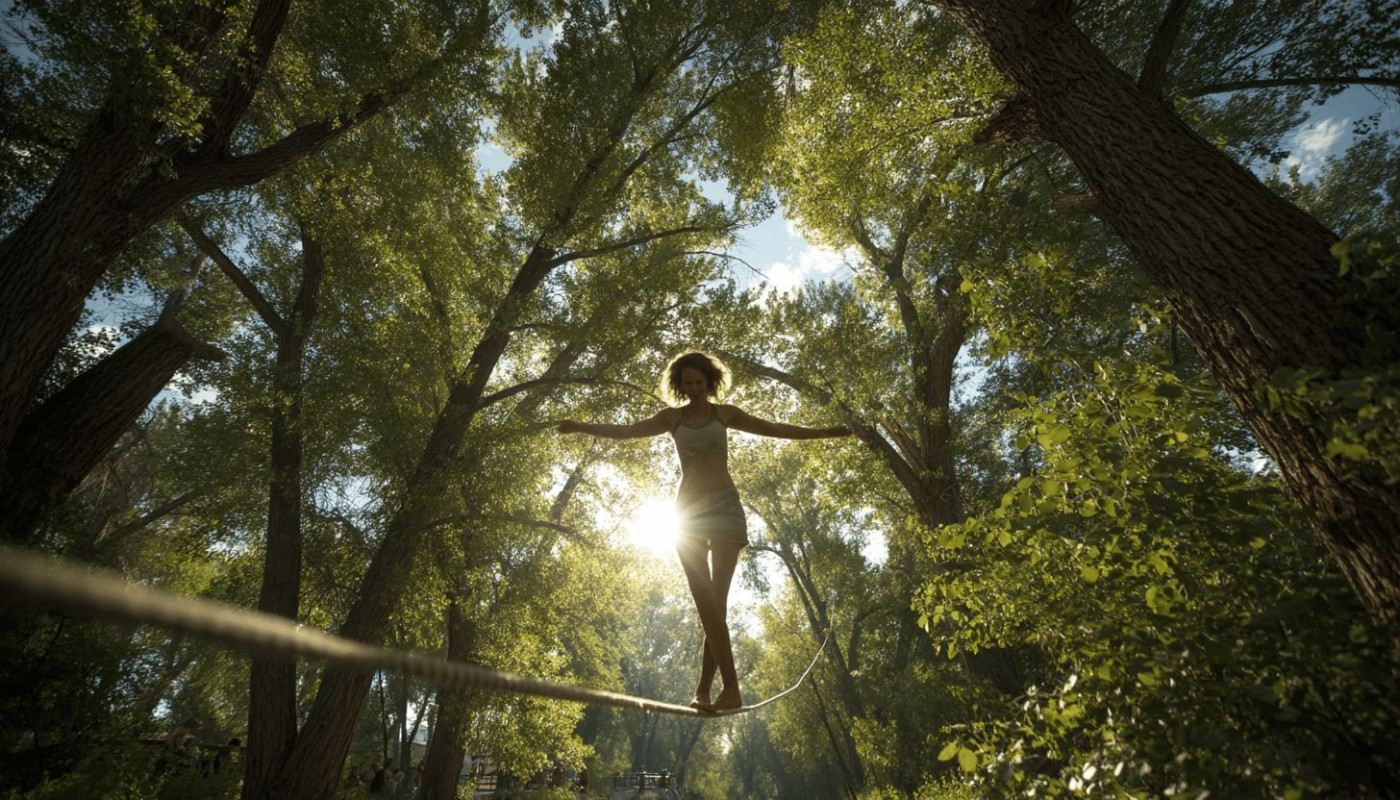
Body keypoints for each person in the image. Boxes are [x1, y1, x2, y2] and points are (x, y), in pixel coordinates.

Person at [557, 351, 851, 711]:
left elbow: (775, 429)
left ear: (709, 382)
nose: (695, 389)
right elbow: (628, 431)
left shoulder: (724, 414)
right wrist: (581, 426)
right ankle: (712, 690)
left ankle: (719, 689)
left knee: (717, 604)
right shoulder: (671, 418)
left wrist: (828, 432)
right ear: (679, 386)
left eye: (700, 382)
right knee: (705, 603)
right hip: (688, 516)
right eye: (688, 383)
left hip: (726, 509)